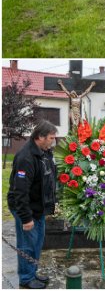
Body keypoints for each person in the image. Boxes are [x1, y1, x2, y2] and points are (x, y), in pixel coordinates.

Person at [7, 121, 57, 289]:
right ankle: (26, 279)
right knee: (27, 245)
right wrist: (26, 218)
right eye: (51, 138)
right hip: (26, 209)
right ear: (40, 137)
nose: (53, 141)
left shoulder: (44, 152)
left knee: (37, 243)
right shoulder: (26, 158)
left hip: (38, 208)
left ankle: (32, 272)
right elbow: (20, 192)